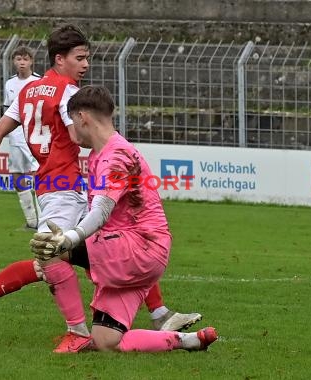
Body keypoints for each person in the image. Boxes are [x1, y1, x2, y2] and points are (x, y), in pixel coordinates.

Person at [0, 24, 201, 353]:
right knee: (53, 258)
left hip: (51, 185)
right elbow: (79, 132)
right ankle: (69, 328)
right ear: (60, 60)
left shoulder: (26, 91)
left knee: (112, 243)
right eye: (80, 58)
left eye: (87, 58)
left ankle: (157, 315)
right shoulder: (66, 93)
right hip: (65, 187)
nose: (86, 65)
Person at [30, 85, 218, 352]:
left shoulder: (115, 156)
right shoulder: (102, 154)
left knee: (48, 248)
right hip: (140, 252)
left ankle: (75, 331)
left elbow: (102, 210)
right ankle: (190, 341)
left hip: (137, 247)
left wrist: (70, 240)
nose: (72, 131)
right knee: (107, 341)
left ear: (83, 117)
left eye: (73, 122)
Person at [4, 46, 41, 229]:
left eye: (25, 59)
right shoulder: (9, 84)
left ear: (31, 61)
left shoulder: (39, 82)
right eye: (18, 59)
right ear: (14, 61)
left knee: (39, 174)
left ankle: (45, 219)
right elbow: (7, 110)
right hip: (15, 137)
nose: (22, 63)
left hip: (34, 136)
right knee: (17, 176)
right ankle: (31, 221)